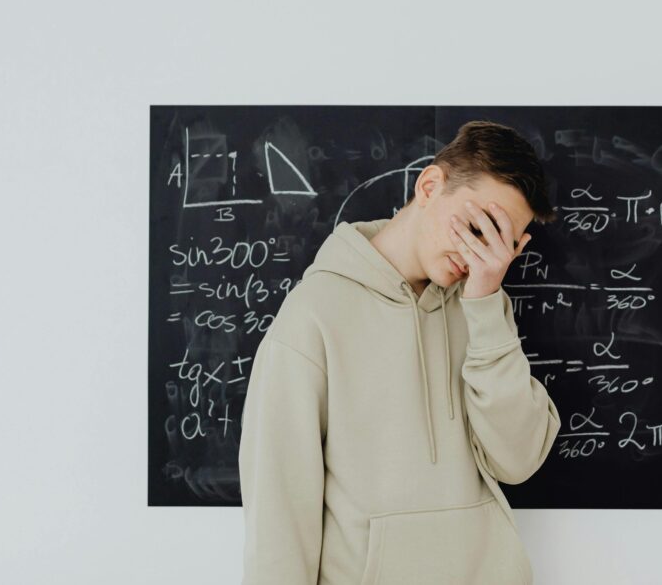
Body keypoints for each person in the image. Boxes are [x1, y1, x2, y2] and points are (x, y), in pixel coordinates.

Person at [239, 120, 561, 584]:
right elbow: (279, 512)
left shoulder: (485, 306)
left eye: (501, 243)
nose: (480, 255)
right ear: (430, 185)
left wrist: (486, 306)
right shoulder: (314, 316)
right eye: (477, 227)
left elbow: (518, 460)